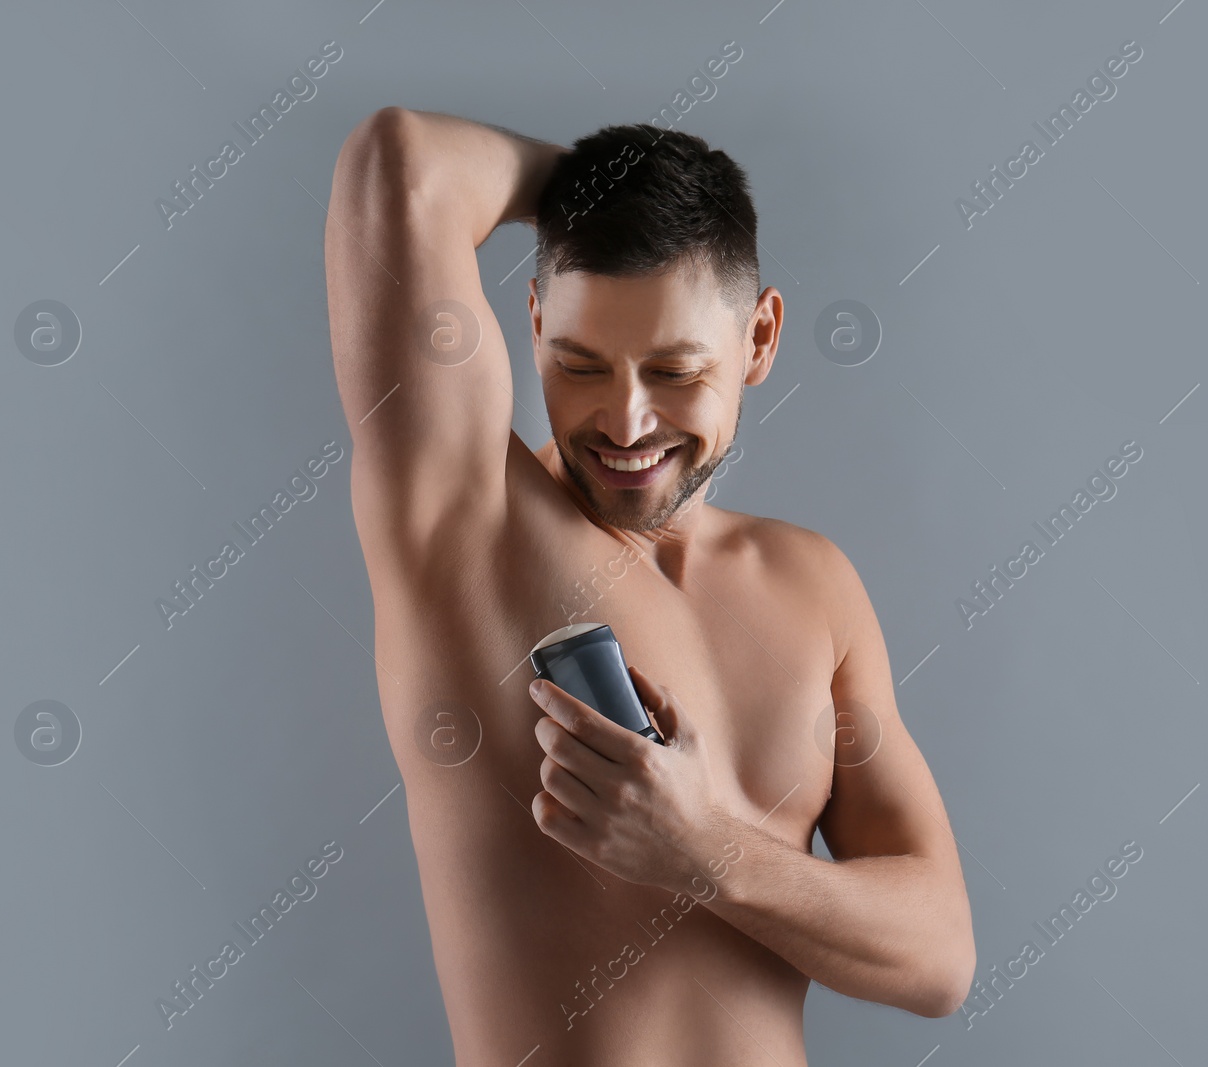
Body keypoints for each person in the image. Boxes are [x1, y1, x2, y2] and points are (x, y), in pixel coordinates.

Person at [323, 106, 974, 1066]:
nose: (625, 422)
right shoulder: (471, 523)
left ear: (760, 340)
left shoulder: (811, 585)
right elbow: (400, 163)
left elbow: (939, 960)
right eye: (581, 366)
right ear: (535, 322)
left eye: (674, 372)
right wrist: (603, 184)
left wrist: (708, 852)